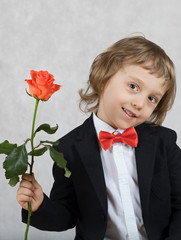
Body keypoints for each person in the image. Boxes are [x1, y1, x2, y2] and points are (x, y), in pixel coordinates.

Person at [17, 36, 181, 240]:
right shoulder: (69, 148)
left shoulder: (164, 142)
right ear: (104, 79)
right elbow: (66, 216)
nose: (140, 103)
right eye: (133, 86)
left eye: (152, 98)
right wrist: (39, 206)